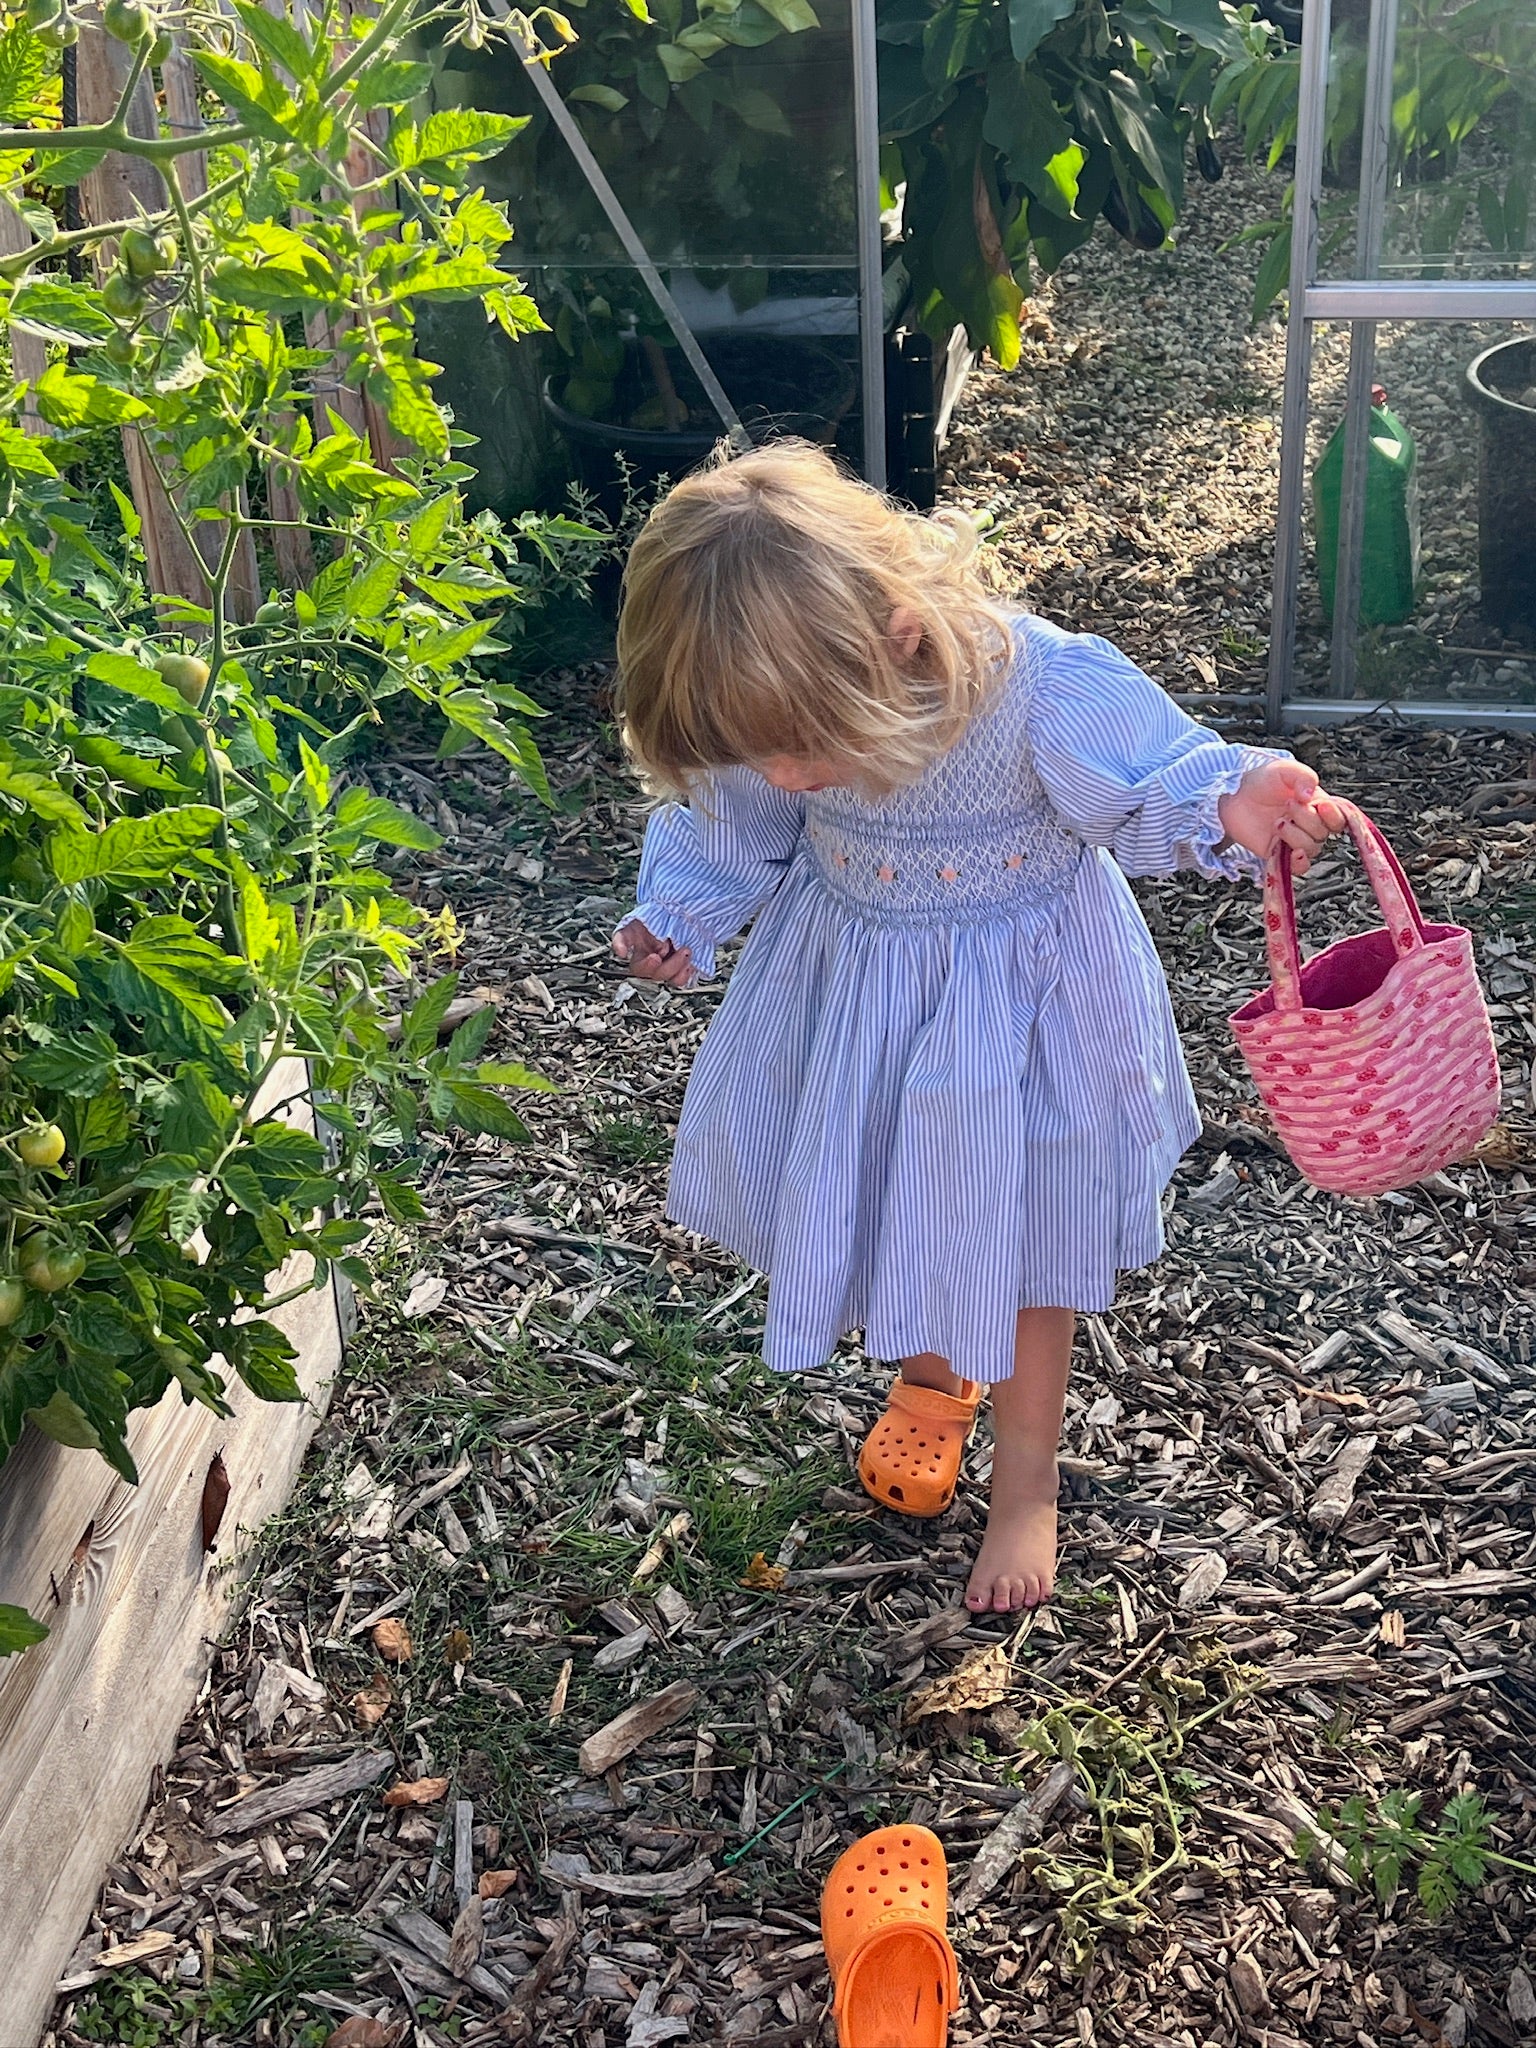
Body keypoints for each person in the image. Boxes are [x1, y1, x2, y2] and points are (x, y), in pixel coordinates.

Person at [610, 441, 1345, 1615]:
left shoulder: (1034, 684)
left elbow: (1151, 771)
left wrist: (1230, 797)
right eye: (766, 750)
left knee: (1015, 1243)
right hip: (867, 1006)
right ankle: (934, 1376)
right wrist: (681, 917)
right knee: (912, 1193)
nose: (791, 775)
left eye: (805, 746)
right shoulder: (788, 714)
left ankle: (1027, 1487)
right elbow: (731, 821)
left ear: (899, 635)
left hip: (1023, 1019)